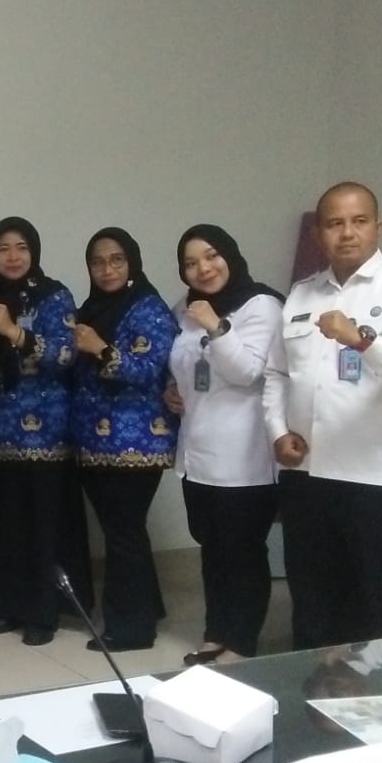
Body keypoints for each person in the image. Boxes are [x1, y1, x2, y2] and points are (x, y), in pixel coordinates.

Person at [263, 182, 382, 649]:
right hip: (306, 475)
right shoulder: (302, 294)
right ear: (318, 233)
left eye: (359, 221)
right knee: (312, 602)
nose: (347, 233)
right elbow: (277, 373)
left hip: (376, 478)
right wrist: (277, 431)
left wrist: (362, 340)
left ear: (378, 227)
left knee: (378, 609)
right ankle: (313, 688)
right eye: (335, 223)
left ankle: (381, 693)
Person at [164, 225, 284, 665]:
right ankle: (216, 633)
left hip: (245, 457)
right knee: (212, 549)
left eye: (211, 256)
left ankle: (241, 642)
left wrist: (217, 327)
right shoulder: (186, 308)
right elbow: (180, 364)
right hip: (197, 453)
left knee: (242, 552)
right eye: (191, 263)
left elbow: (248, 372)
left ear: (230, 255)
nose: (203, 268)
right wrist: (170, 390)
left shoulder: (261, 305)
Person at [0, 217, 80, 646]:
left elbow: (66, 354)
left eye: (21, 247)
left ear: (34, 252)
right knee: (2, 523)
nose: (12, 257)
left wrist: (15, 333)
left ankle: (43, 611)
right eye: (3, 248)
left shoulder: (54, 296)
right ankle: (6, 605)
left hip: (47, 434)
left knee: (42, 525)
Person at [71, 227, 179, 652]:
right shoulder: (92, 309)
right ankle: (146, 609)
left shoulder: (148, 309)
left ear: (131, 262)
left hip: (137, 444)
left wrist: (100, 348)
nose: (107, 269)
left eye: (116, 260)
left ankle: (131, 628)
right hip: (94, 442)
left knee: (124, 533)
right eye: (98, 262)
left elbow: (147, 370)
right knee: (123, 530)